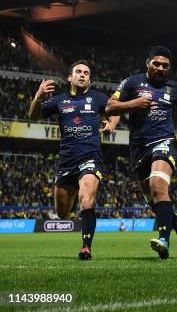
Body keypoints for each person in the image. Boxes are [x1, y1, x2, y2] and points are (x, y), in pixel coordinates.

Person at [106, 46, 177, 259]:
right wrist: (133, 104)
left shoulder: (175, 89)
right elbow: (110, 106)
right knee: (152, 200)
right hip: (138, 148)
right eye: (156, 63)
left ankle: (163, 238)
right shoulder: (132, 83)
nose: (160, 68)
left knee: (158, 184)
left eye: (165, 65)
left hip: (164, 141)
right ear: (148, 63)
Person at [28, 60, 119, 260]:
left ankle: (86, 247)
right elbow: (32, 116)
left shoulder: (98, 98)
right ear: (70, 77)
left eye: (86, 72)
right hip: (67, 161)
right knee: (62, 213)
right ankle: (73, 195)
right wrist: (38, 96)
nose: (82, 75)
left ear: (89, 78)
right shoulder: (59, 101)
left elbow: (116, 109)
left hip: (90, 157)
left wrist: (112, 123)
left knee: (86, 200)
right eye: (78, 71)